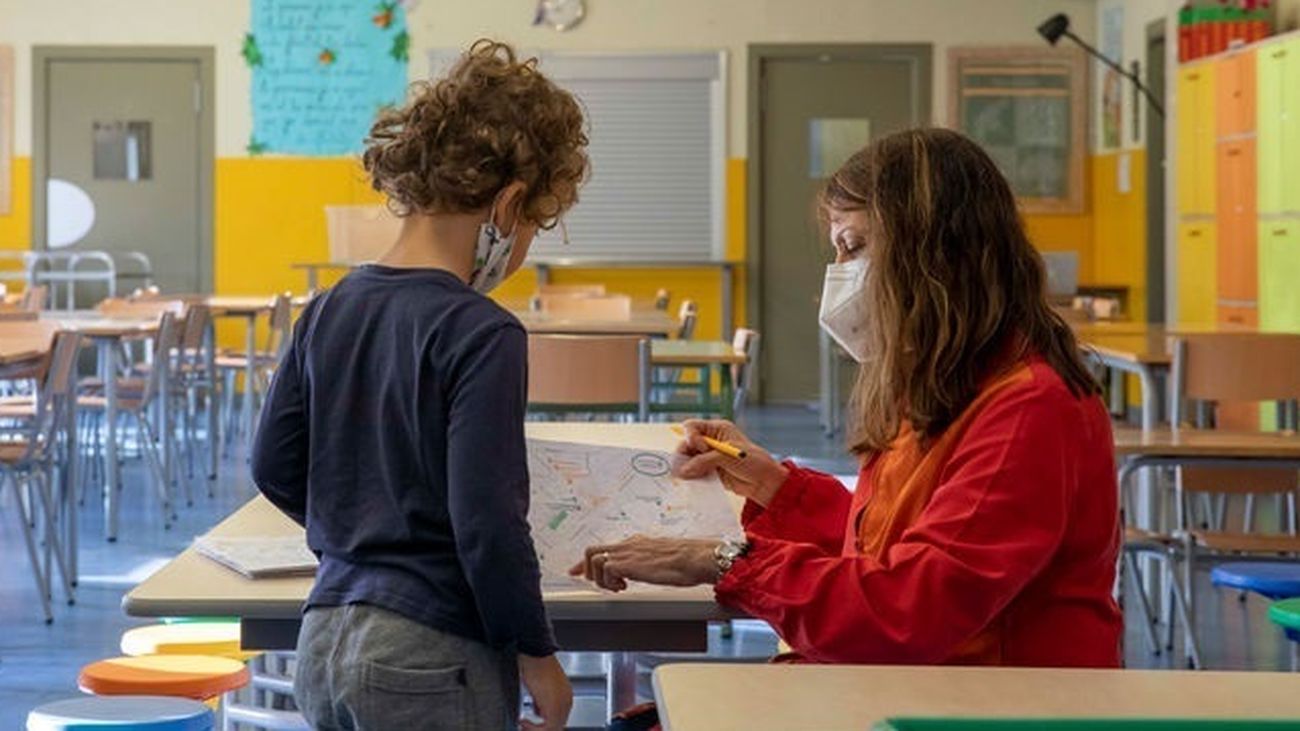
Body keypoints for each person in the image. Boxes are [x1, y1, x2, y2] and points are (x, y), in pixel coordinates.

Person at [571, 128, 1122, 667]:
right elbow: (890, 548)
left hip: (984, 706)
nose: (839, 276)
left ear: (934, 255)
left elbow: (909, 608)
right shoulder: (947, 380)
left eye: (853, 247)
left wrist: (724, 561)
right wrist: (779, 490)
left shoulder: (1027, 410)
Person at [251, 40, 588, 730]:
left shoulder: (330, 307)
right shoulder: (482, 332)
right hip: (429, 655)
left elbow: (273, 465)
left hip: (322, 640)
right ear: (509, 203)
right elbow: (487, 524)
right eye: (532, 225)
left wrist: (363, 529)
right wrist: (538, 656)